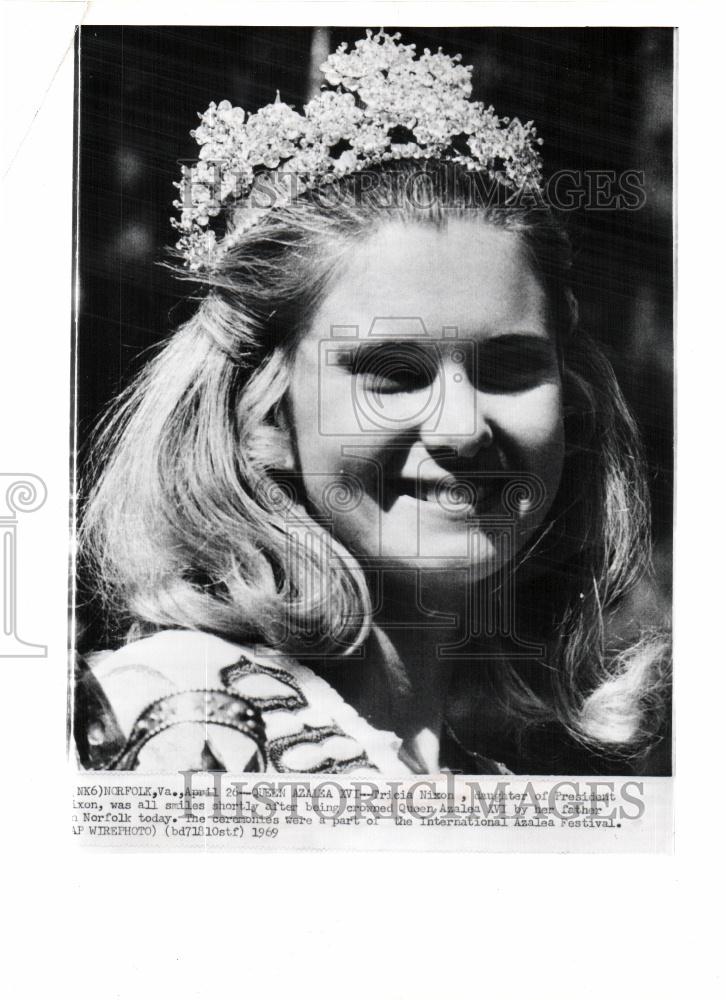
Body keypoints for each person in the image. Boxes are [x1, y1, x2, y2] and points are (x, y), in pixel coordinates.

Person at [74, 30, 670, 776]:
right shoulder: (171, 719)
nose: (460, 428)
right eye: (392, 374)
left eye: (511, 368)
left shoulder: (508, 775)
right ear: (263, 414)